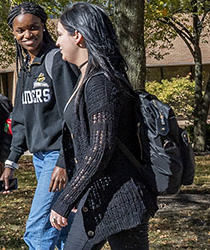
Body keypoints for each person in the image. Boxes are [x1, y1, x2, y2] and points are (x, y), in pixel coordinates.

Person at [49, 3, 158, 250]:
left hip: (122, 200)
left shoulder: (101, 82)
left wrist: (66, 199)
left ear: (78, 36)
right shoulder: (89, 78)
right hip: (100, 198)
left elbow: (100, 147)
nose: (57, 43)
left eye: (59, 35)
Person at [2, 2, 80, 249]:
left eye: (33, 28)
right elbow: (21, 119)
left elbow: (73, 113)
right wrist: (10, 162)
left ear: (43, 27)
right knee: (61, 228)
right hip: (39, 158)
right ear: (13, 33)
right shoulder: (26, 67)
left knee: (38, 231)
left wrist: (64, 161)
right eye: (20, 31)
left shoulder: (57, 60)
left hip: (59, 156)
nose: (27, 35)